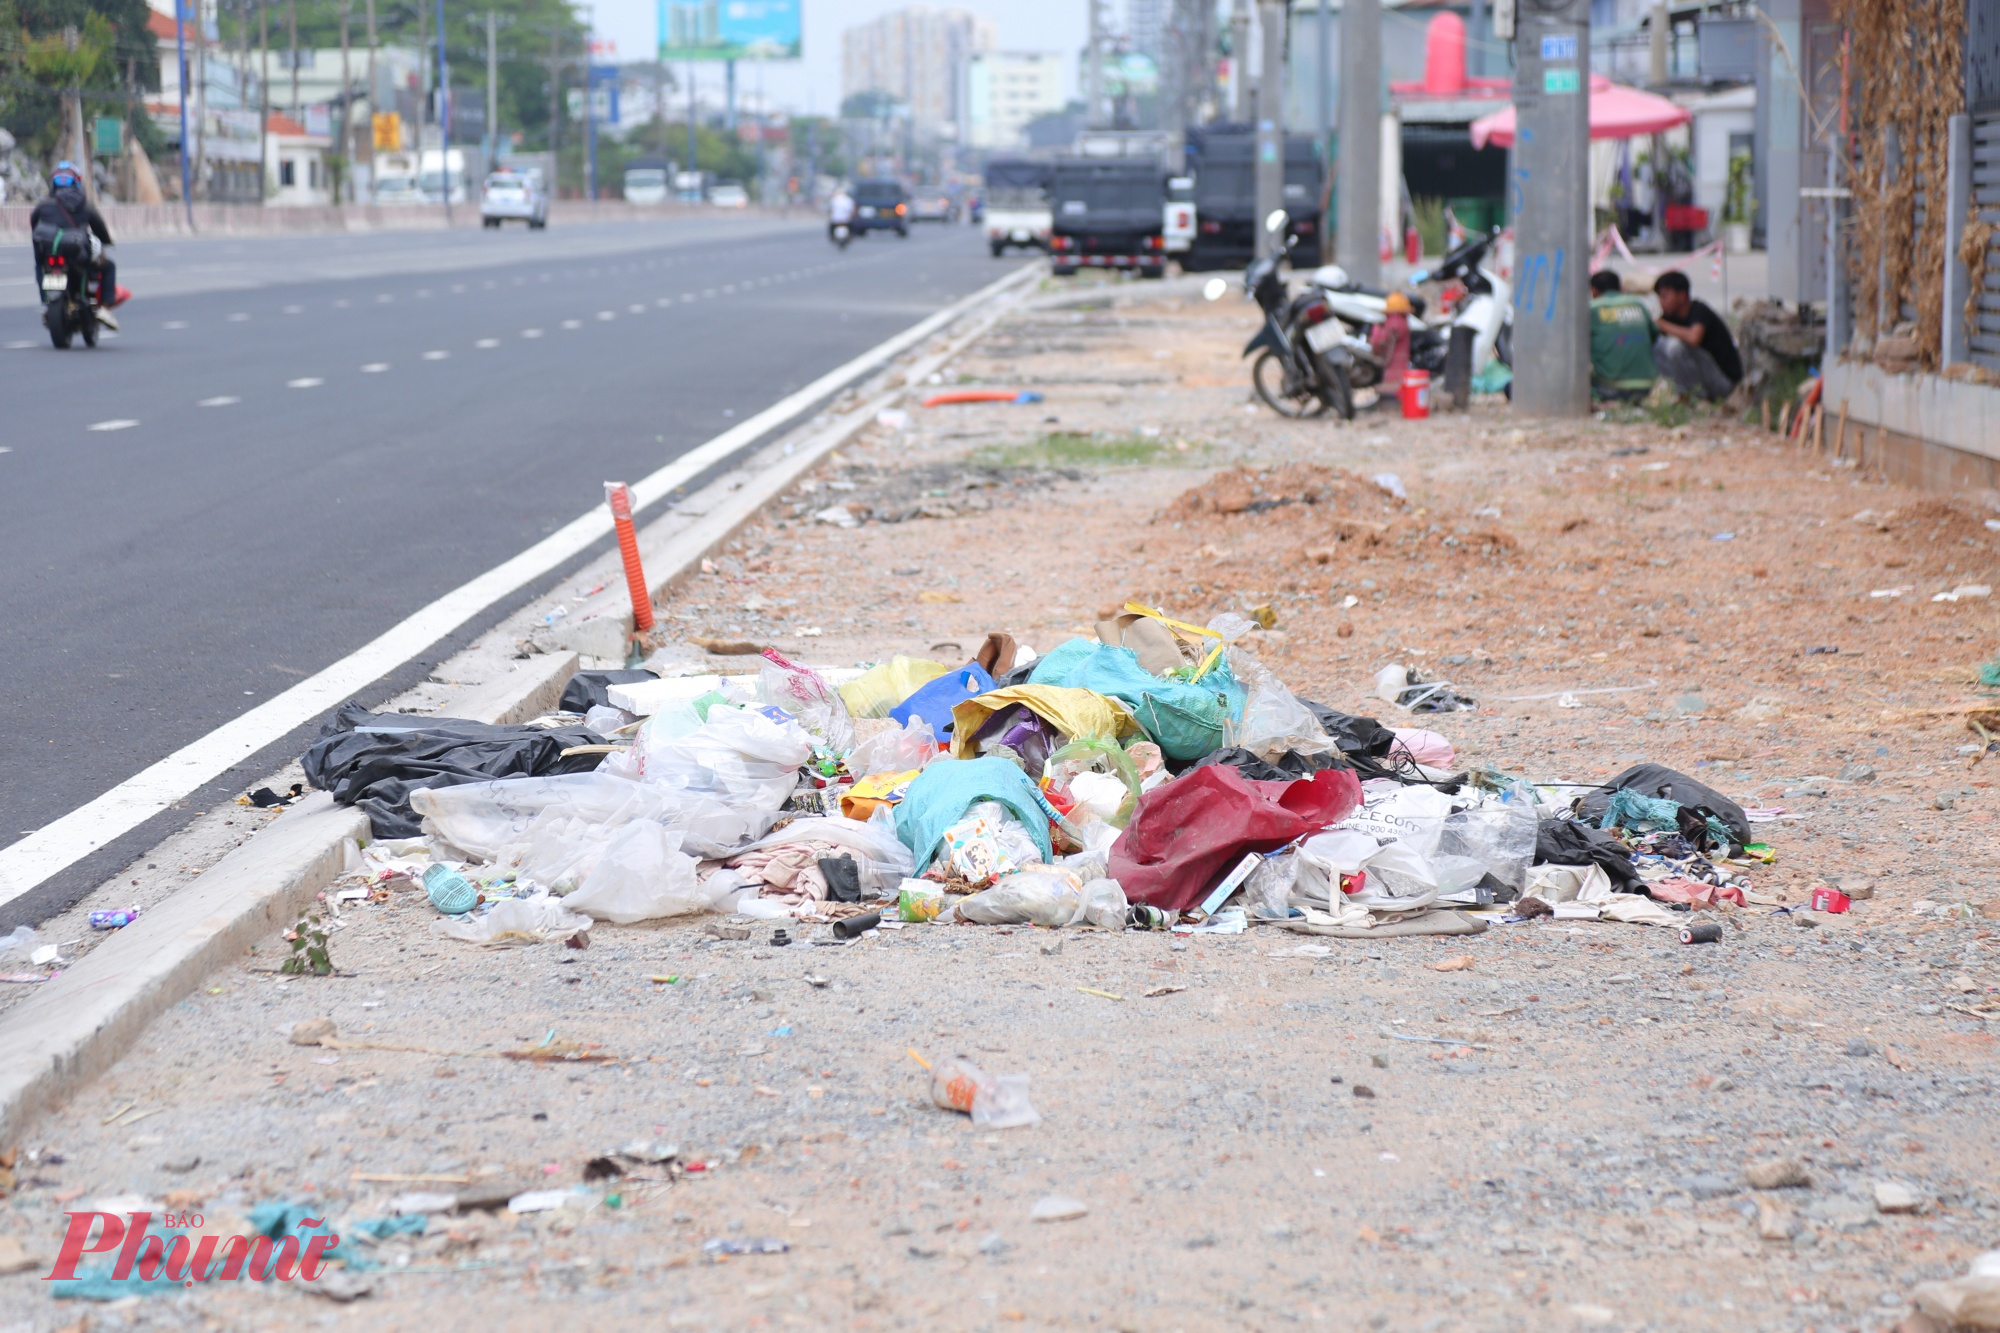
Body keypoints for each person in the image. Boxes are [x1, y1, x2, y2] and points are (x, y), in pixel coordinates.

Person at [30, 161, 122, 328]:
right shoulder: (85, 204)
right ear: (77, 182)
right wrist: (107, 241)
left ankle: (46, 302)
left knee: (39, 266)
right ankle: (106, 308)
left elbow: (34, 225)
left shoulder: (43, 204)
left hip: (49, 251)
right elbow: (99, 227)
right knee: (107, 267)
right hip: (77, 254)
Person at [1652, 269, 1742, 401]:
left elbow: (1694, 338)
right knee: (1657, 346)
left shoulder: (1699, 310)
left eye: (1665, 296)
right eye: (1660, 297)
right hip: (1706, 378)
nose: (1661, 301)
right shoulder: (1670, 317)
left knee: (1675, 348)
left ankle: (1697, 397)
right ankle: (1683, 393)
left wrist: (1663, 325)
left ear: (1681, 296)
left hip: (1724, 381)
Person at [1588, 268, 1656, 399]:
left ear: (1594, 290)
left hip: (1610, 387)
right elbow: (1654, 336)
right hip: (1647, 386)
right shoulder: (1638, 304)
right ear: (1620, 288)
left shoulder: (1593, 308)